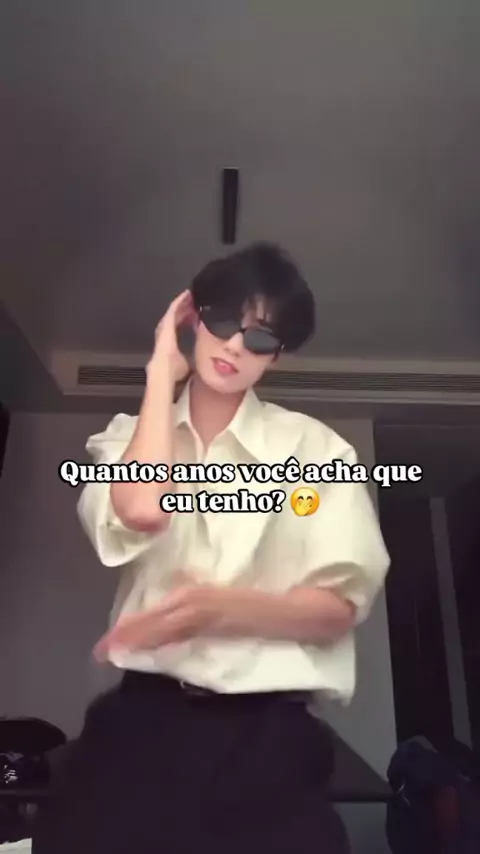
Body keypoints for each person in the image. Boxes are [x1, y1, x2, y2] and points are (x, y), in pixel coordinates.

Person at [32, 243, 390, 854]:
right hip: (139, 723)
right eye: (222, 320)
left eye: (260, 338)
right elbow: (142, 509)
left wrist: (219, 610)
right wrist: (158, 375)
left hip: (267, 735)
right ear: (191, 319)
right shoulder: (125, 439)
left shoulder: (317, 451)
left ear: (275, 356)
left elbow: (338, 609)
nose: (234, 346)